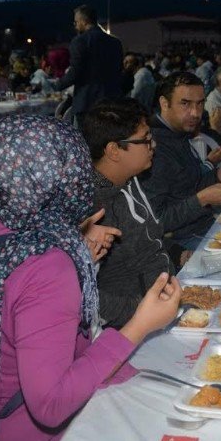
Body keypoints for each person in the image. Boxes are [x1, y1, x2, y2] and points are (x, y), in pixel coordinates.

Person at [0, 114, 182, 441]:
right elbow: (50, 406)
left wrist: (76, 253)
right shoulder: (49, 265)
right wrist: (138, 327)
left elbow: (17, 302)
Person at [81, 100, 189, 327]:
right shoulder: (90, 208)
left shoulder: (130, 180)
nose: (154, 145)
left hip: (167, 293)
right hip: (134, 323)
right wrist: (142, 313)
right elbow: (86, 296)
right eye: (145, 140)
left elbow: (149, 240)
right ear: (113, 151)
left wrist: (177, 253)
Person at [138, 72, 221, 250]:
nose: (195, 113)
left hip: (202, 227)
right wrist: (202, 199)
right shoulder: (154, 147)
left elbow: (185, 186)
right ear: (164, 103)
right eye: (185, 103)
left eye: (200, 104)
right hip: (182, 242)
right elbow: (156, 222)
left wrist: (217, 175)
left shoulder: (177, 133)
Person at [57, 4, 124, 120]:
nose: (75, 25)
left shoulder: (80, 41)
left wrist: (58, 85)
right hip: (112, 100)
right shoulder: (115, 42)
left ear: (84, 21)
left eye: (76, 22)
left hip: (87, 101)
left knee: (85, 137)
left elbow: (76, 71)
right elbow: (118, 70)